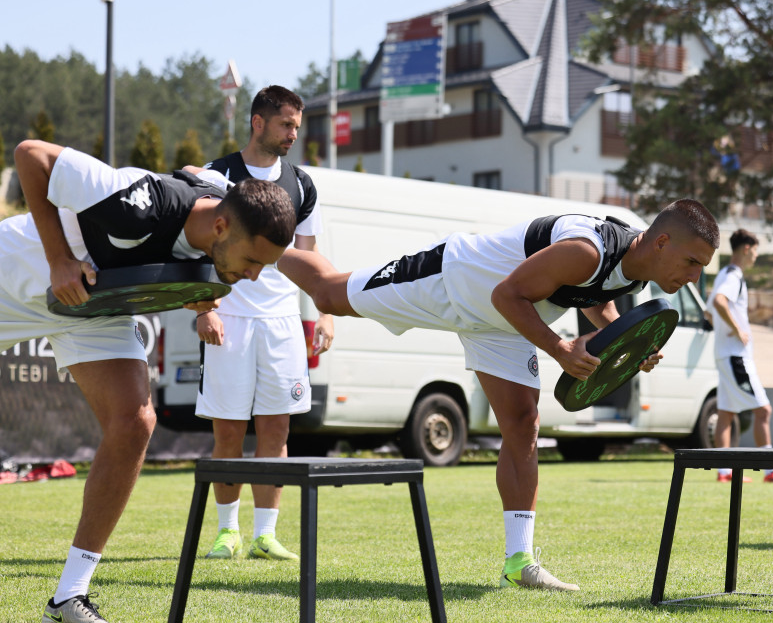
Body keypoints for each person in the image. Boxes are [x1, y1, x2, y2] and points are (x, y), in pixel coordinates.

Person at [276, 201, 720, 591]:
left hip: (506, 324)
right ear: (661, 241)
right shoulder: (588, 249)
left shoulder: (635, 273)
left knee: (524, 423)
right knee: (330, 294)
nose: (696, 276)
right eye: (692, 262)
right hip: (455, 280)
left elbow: (594, 297)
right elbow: (506, 293)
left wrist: (625, 342)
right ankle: (265, 248)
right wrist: (560, 349)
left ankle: (519, 562)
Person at [0, 139, 297, 623]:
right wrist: (58, 259)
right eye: (252, 262)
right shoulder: (136, 204)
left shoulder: (227, 203)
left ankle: (68, 596)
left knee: (135, 420)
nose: (253, 275)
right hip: (25, 271)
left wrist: (199, 288)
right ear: (221, 225)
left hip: (94, 306)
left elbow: (191, 174)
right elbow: (31, 155)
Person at [194, 86, 333, 562]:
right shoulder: (218, 175)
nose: (294, 133)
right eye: (286, 125)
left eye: (297, 125)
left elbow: (310, 259)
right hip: (228, 316)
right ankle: (226, 532)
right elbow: (195, 249)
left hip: (282, 322)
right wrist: (203, 309)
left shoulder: (304, 185)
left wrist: (325, 312)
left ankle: (265, 535)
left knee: (276, 430)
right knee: (229, 431)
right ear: (258, 122)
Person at [706, 229, 773, 484]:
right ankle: (771, 471)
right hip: (735, 357)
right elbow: (718, 302)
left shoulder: (723, 275)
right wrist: (737, 329)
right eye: (756, 250)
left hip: (725, 355)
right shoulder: (733, 276)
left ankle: (724, 472)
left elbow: (708, 312)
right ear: (746, 248)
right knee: (763, 411)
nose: (756, 256)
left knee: (726, 414)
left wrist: (724, 329)